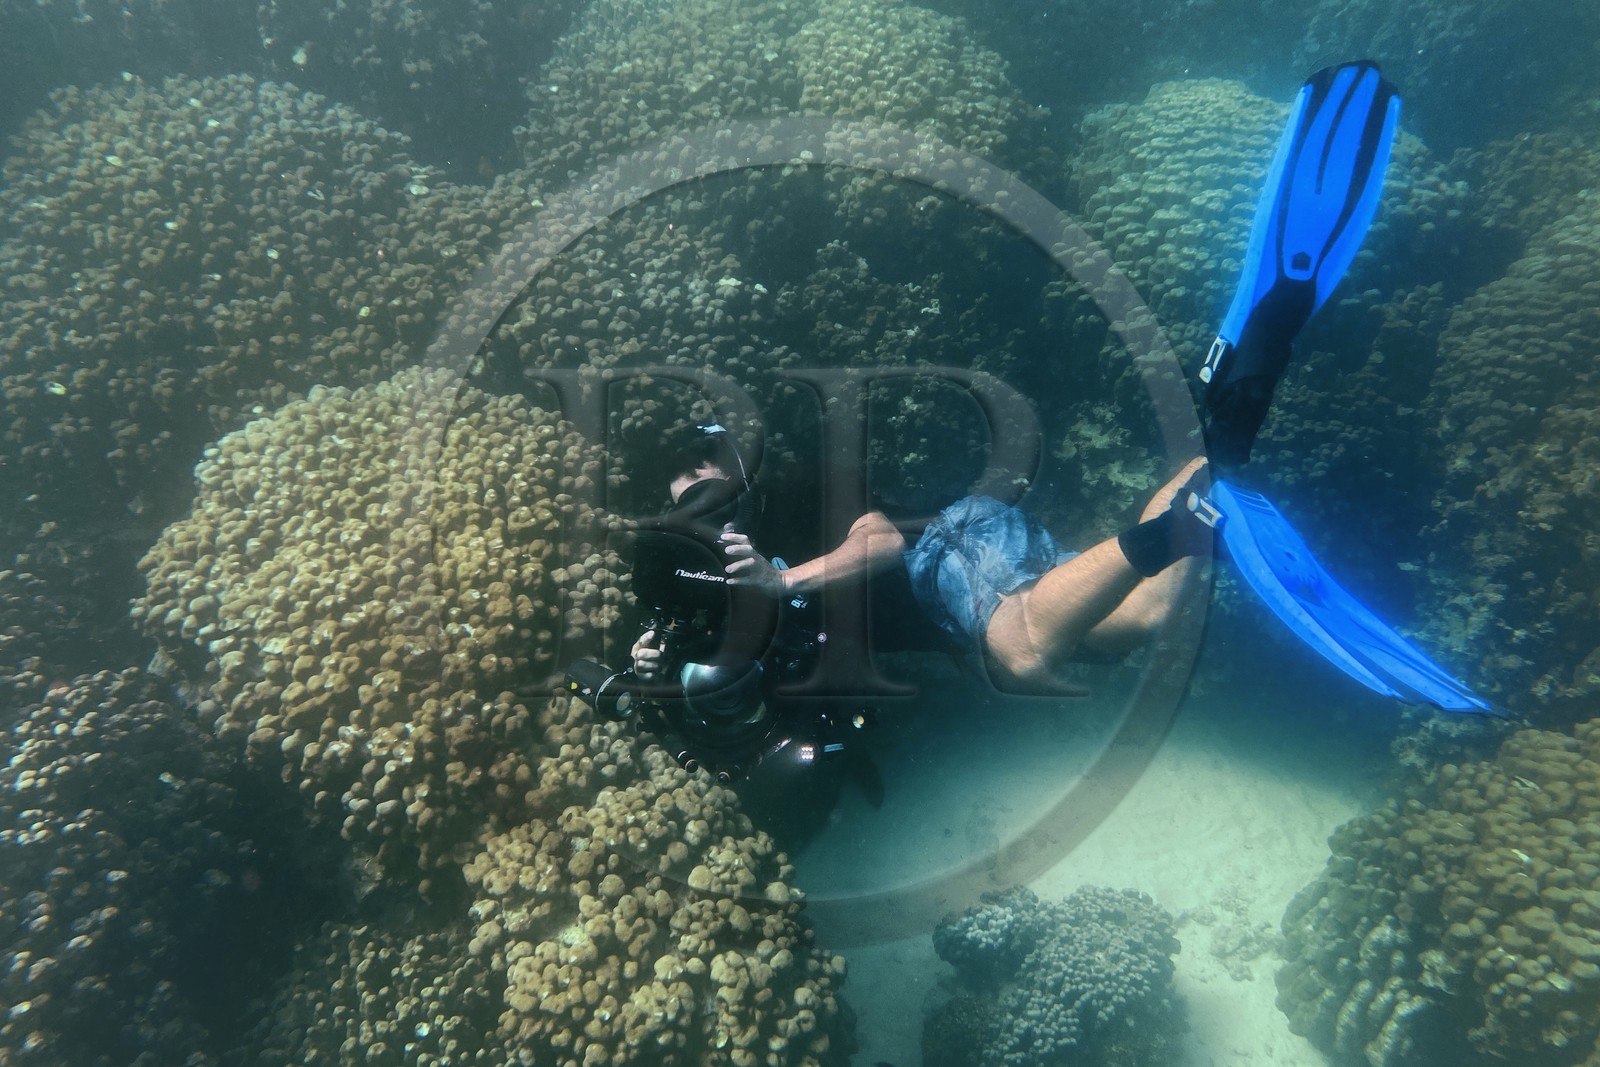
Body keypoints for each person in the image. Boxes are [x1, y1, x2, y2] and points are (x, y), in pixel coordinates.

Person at [631, 425, 1212, 695]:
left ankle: (1177, 531)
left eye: (709, 480)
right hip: (946, 605)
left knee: (1022, 655)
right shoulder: (710, 562)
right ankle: (1208, 479)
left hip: (945, 545)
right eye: (688, 499)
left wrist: (782, 580)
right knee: (1138, 619)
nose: (703, 500)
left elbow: (883, 542)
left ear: (740, 470)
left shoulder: (804, 488)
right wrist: (654, 658)